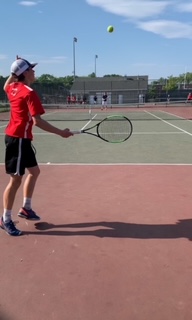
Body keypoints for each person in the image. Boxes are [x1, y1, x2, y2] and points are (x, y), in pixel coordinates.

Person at [0, 57, 73, 236]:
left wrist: (15, 68)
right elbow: (37, 122)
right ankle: (5, 219)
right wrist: (61, 133)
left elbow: (5, 85)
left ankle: (26, 208)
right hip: (17, 141)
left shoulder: (12, 88)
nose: (34, 71)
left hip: (20, 139)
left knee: (35, 172)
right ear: (24, 73)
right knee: (15, 180)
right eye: (31, 69)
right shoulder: (29, 92)